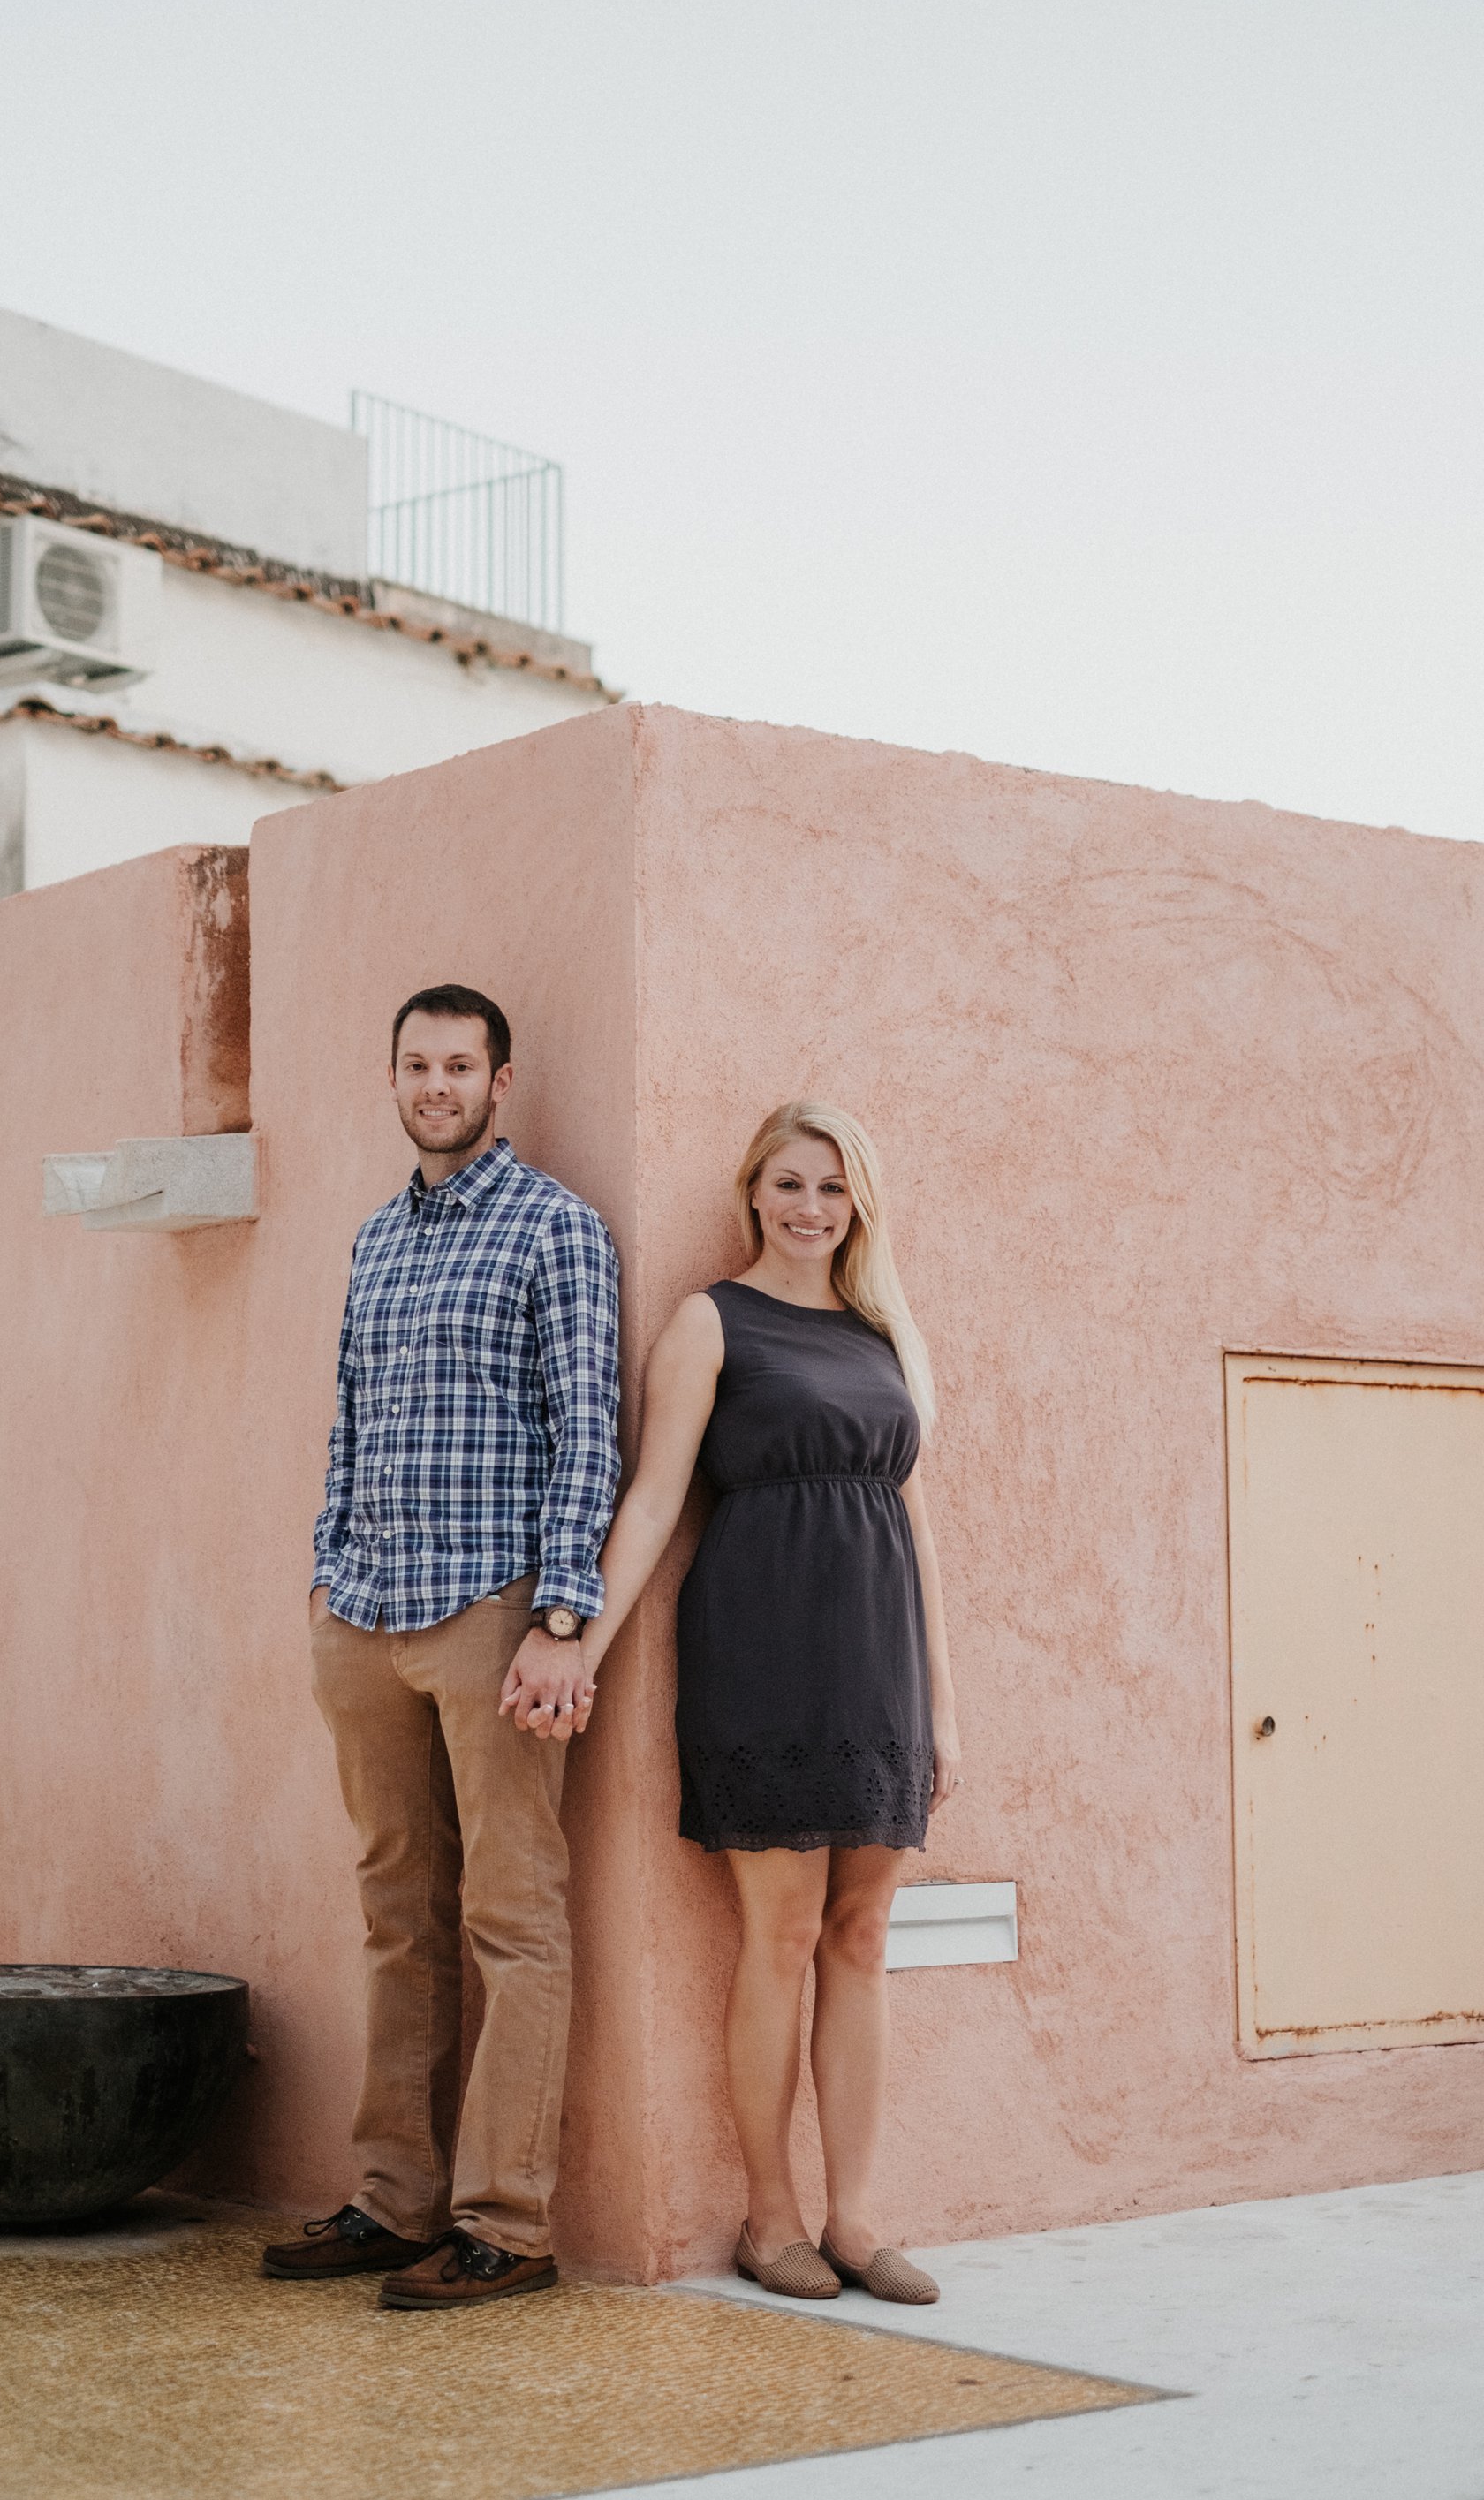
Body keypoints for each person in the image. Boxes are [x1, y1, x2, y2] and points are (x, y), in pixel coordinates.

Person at [263, 984, 620, 2310]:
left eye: (459, 1065)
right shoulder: (374, 1241)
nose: (436, 1085)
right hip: (364, 1616)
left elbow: (590, 1427)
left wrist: (563, 1618)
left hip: (491, 1612)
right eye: (417, 1064)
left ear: (499, 1081)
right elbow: (350, 1424)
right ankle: (393, 2200)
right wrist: (324, 1577)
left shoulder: (556, 1228)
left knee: (512, 1913)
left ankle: (507, 2224)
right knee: (395, 1911)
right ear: (395, 1078)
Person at [576, 1101, 961, 2305]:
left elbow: (916, 1528)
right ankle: (771, 2217)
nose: (810, 1208)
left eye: (833, 1189)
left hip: (879, 1665)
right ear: (752, 1192)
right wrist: (581, 1643)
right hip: (762, 1652)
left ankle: (855, 2220)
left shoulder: (882, 1332)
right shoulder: (710, 1321)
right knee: (782, 1939)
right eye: (790, 1184)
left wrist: (942, 1708)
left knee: (863, 1938)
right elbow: (653, 1501)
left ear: (859, 1207)